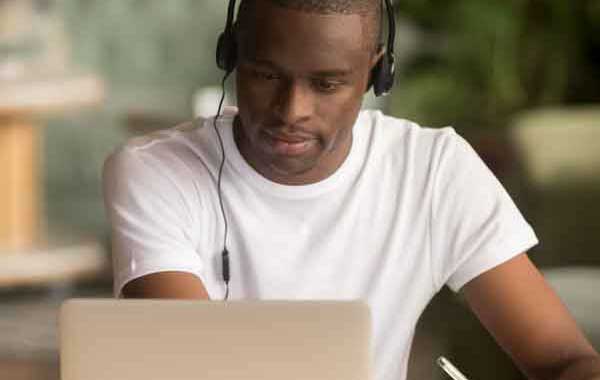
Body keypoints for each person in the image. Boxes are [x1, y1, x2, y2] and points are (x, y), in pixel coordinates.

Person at [102, 1, 600, 380]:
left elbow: (564, 358)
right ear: (231, 57)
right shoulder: (156, 171)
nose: (291, 109)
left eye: (326, 84)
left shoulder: (434, 171)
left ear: (375, 73)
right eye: (267, 74)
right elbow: (185, 366)